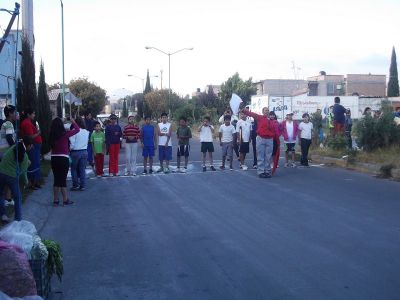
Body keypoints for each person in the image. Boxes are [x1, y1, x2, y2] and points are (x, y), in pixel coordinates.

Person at [0, 137, 32, 222]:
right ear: (28, 146)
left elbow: (6, 157)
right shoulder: (24, 156)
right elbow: (23, 174)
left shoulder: (14, 147)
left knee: (1, 194)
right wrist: (26, 182)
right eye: (31, 146)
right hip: (11, 176)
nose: (31, 148)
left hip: (1, 172)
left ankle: (3, 215)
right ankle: (18, 219)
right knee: (17, 197)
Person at [49, 117, 80, 206]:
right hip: (63, 158)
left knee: (56, 180)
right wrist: (72, 121)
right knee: (62, 180)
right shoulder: (65, 134)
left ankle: (56, 200)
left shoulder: (51, 135)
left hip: (54, 158)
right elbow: (77, 129)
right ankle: (65, 200)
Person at [242, 107, 280, 178]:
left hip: (269, 139)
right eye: (265, 110)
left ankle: (267, 171)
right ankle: (261, 171)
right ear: (263, 112)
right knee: (261, 156)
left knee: (268, 156)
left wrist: (277, 139)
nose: (267, 111)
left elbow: (277, 131)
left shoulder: (273, 121)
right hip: (261, 138)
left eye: (268, 110)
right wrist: (244, 111)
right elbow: (252, 114)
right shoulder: (260, 117)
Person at [20, 108, 42, 190]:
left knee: (36, 163)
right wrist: (38, 133)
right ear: (28, 114)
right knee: (33, 164)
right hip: (33, 146)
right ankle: (32, 183)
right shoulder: (26, 123)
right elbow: (30, 137)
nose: (34, 115)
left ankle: (35, 182)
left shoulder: (29, 122)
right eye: (33, 113)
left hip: (36, 145)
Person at [69, 117, 89, 191]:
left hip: (75, 152)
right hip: (84, 151)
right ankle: (82, 185)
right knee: (82, 169)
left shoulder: (74, 131)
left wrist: (69, 150)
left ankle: (75, 185)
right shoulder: (86, 131)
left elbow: (72, 144)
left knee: (73, 169)